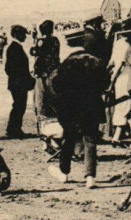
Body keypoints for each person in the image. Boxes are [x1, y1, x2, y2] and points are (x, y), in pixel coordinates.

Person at [46, 23, 109, 189]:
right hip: (92, 106)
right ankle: (90, 177)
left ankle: (64, 173)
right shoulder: (96, 62)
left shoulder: (66, 64)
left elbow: (56, 86)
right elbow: (105, 83)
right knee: (90, 140)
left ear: (67, 42)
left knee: (68, 138)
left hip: (71, 107)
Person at [4, 25, 33, 138]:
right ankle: (14, 130)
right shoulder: (15, 48)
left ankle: (13, 129)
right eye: (23, 34)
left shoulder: (14, 47)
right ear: (17, 35)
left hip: (16, 82)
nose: (25, 36)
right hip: (18, 83)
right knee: (19, 106)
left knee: (19, 105)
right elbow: (10, 68)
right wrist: (24, 79)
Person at [31, 20, 60, 127]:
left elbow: (35, 53)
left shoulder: (40, 41)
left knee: (41, 96)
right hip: (53, 69)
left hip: (42, 71)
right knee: (53, 94)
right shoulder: (55, 40)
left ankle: (42, 117)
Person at [108, 32, 131, 141]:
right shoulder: (123, 44)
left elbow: (112, 62)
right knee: (124, 101)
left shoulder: (117, 44)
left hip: (122, 75)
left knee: (121, 101)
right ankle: (118, 134)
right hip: (125, 75)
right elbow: (120, 64)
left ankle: (119, 132)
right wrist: (112, 80)